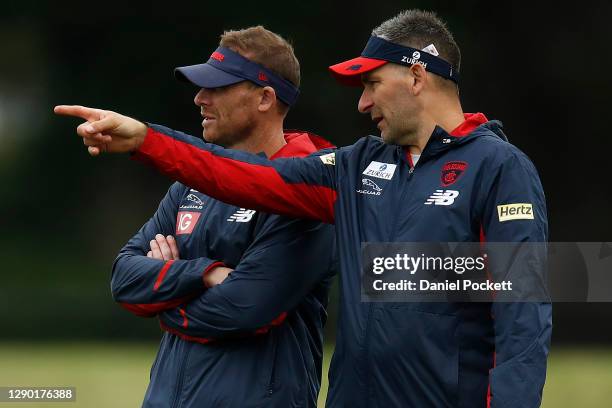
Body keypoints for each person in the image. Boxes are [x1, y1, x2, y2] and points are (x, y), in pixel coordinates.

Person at [56, 10, 552, 408]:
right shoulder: (358, 165)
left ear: (417, 76)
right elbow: (246, 174)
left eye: (371, 84)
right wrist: (146, 139)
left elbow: (523, 319)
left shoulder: (499, 167)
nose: (362, 105)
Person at [79, 26, 336, 408]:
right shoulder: (191, 184)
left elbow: (243, 308)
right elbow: (124, 277)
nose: (200, 98)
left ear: (265, 98)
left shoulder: (308, 192)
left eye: (217, 87)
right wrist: (203, 273)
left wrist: (164, 296)